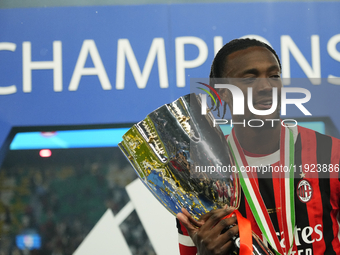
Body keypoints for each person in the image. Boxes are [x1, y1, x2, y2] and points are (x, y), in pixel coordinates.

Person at [176, 38, 340, 255]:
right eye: (250, 79)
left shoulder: (330, 153)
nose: (266, 86)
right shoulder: (203, 177)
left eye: (274, 76)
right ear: (222, 93)